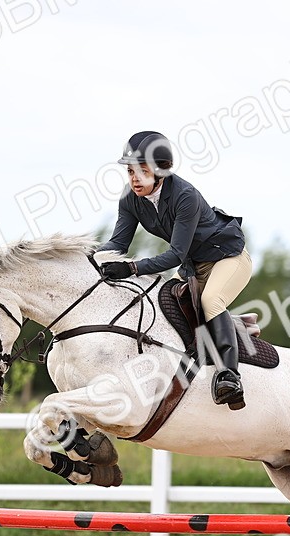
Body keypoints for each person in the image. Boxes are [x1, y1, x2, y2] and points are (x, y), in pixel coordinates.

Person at [95, 131, 252, 409]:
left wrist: (131, 267)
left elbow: (175, 254)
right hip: (194, 265)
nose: (134, 179)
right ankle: (235, 326)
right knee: (165, 301)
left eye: (142, 171)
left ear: (160, 172)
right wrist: (90, 258)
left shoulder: (185, 196)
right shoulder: (130, 200)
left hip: (228, 259)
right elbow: (118, 243)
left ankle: (229, 375)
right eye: (131, 171)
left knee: (210, 300)